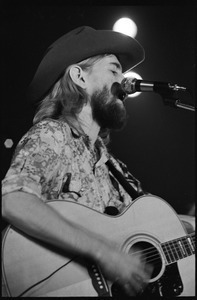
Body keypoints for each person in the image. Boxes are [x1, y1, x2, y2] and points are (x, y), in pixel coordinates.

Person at [2, 26, 152, 297]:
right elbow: (13, 199)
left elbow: (159, 222)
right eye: (114, 69)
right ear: (79, 76)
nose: (125, 82)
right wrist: (102, 251)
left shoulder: (114, 167)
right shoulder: (52, 135)